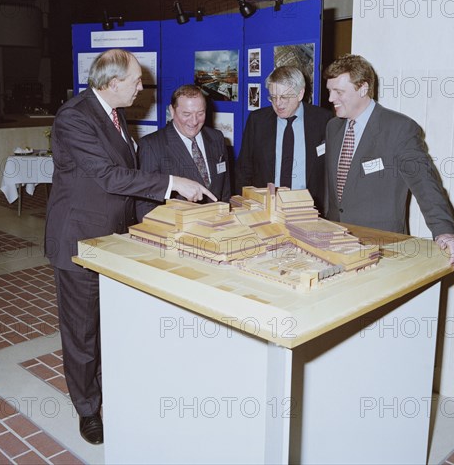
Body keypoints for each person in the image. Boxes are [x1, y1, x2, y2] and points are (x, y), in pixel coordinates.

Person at [45, 50, 216, 445]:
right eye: (137, 80)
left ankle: (108, 389)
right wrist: (173, 183)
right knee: (82, 332)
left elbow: (125, 175)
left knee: (107, 324)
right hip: (79, 238)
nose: (143, 87)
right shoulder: (75, 116)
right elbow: (107, 176)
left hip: (111, 237)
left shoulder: (116, 115)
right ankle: (88, 409)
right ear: (112, 83)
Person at [323, 53, 454, 272]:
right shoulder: (333, 127)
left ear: (363, 88)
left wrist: (444, 230)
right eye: (329, 91)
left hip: (382, 250)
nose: (331, 98)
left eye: (339, 92)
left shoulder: (399, 129)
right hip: (336, 245)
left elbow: (425, 184)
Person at [235, 66, 332, 213]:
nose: (278, 103)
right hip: (266, 209)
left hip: (309, 210)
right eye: (273, 97)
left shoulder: (324, 120)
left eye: (284, 97)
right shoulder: (258, 121)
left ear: (300, 94)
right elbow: (244, 170)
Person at [136, 84, 231, 220]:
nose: (194, 121)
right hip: (178, 232)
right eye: (186, 114)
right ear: (172, 111)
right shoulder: (151, 145)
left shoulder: (217, 138)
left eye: (200, 113)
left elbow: (225, 190)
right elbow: (145, 207)